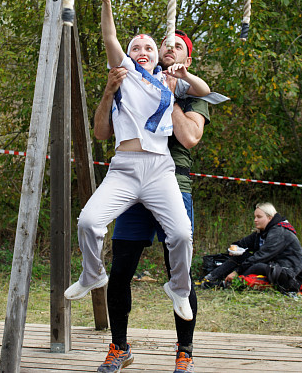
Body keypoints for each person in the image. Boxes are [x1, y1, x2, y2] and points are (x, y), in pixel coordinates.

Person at [64, 0, 210, 325]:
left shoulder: (168, 78)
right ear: (129, 55)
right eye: (136, 47)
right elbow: (109, 38)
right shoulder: (125, 75)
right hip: (125, 169)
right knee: (88, 222)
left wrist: (184, 74)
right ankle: (91, 274)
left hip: (160, 169)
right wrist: (106, 3)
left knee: (180, 235)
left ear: (158, 54)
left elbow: (205, 89)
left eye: (148, 46)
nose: (142, 50)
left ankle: (178, 286)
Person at [94, 30, 214, 373]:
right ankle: (119, 348)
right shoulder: (134, 78)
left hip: (173, 185)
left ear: (187, 60)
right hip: (133, 185)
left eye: (178, 47)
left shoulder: (193, 93)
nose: (169, 49)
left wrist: (170, 95)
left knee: (180, 274)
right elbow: (102, 131)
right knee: (120, 271)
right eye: (165, 45)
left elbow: (189, 137)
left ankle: (184, 351)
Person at [198, 203, 302, 293]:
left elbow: (261, 256)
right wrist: (234, 248)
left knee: (256, 265)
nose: (255, 220)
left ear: (270, 218)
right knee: (241, 257)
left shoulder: (279, 232)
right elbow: (242, 243)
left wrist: (237, 271)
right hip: (273, 265)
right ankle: (209, 278)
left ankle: (225, 285)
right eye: (255, 217)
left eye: (259, 217)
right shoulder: (262, 231)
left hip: (289, 273)